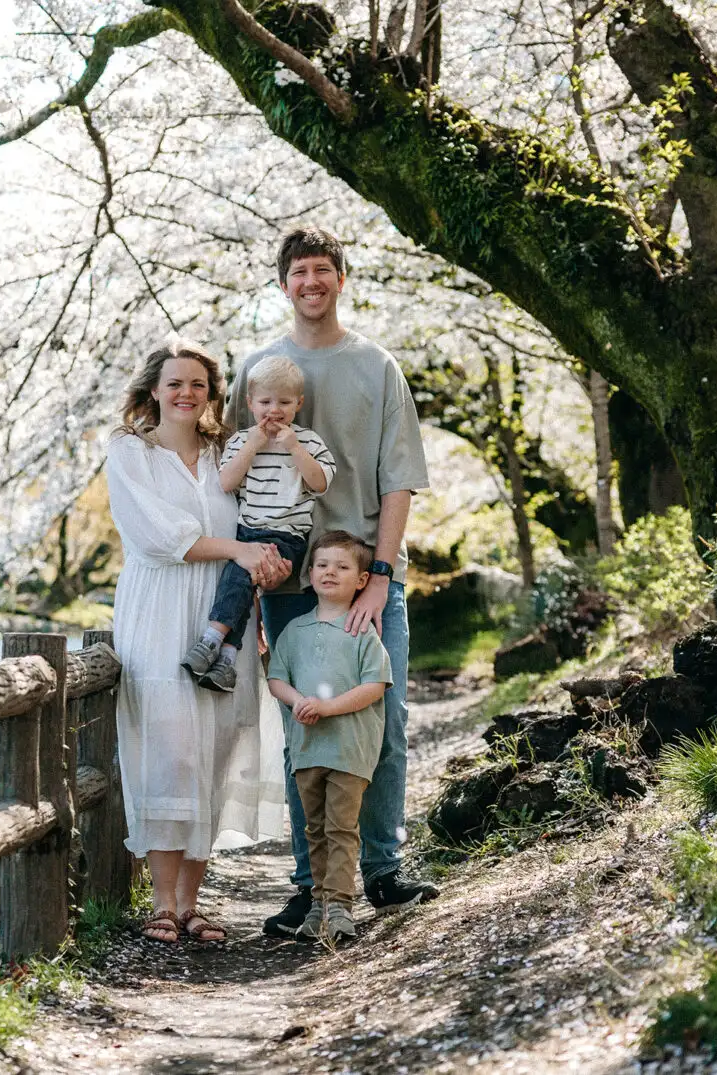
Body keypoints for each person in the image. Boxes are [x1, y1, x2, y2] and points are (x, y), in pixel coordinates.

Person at [226, 225, 441, 937]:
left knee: (382, 719)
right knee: (304, 729)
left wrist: (381, 574)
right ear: (282, 283)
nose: (310, 283)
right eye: (298, 273)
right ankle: (312, 885)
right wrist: (246, 581)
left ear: (341, 278)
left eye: (322, 270)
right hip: (285, 580)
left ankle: (380, 869)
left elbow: (400, 477)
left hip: (363, 576)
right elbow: (228, 475)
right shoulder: (257, 368)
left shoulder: (376, 367)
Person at [104, 335, 291, 944]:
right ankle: (160, 903)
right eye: (175, 383)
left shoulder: (225, 454)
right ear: (153, 390)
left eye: (198, 385)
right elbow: (160, 535)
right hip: (160, 605)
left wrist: (266, 562)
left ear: (212, 395)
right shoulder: (131, 453)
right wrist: (241, 548)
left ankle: (191, 904)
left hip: (226, 609)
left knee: (213, 750)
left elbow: (262, 515)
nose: (186, 394)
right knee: (169, 748)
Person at [180, 354, 335, 693]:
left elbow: (320, 483)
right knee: (240, 586)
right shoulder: (241, 441)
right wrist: (253, 445)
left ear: (299, 403)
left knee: (239, 577)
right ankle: (227, 659)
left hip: (287, 535)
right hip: (248, 529)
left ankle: (212, 638)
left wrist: (293, 447)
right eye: (265, 401)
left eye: (284, 402)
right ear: (250, 402)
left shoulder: (308, 441)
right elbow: (226, 483)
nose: (274, 410)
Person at [267, 531, 392, 946]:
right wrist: (299, 701)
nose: (329, 572)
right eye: (322, 565)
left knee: (341, 827)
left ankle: (340, 907)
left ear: (361, 580)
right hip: (307, 750)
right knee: (314, 830)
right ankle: (318, 903)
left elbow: (375, 685)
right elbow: (276, 678)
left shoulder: (362, 631)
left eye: (341, 567)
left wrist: (327, 708)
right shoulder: (295, 631)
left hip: (348, 748)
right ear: (310, 573)